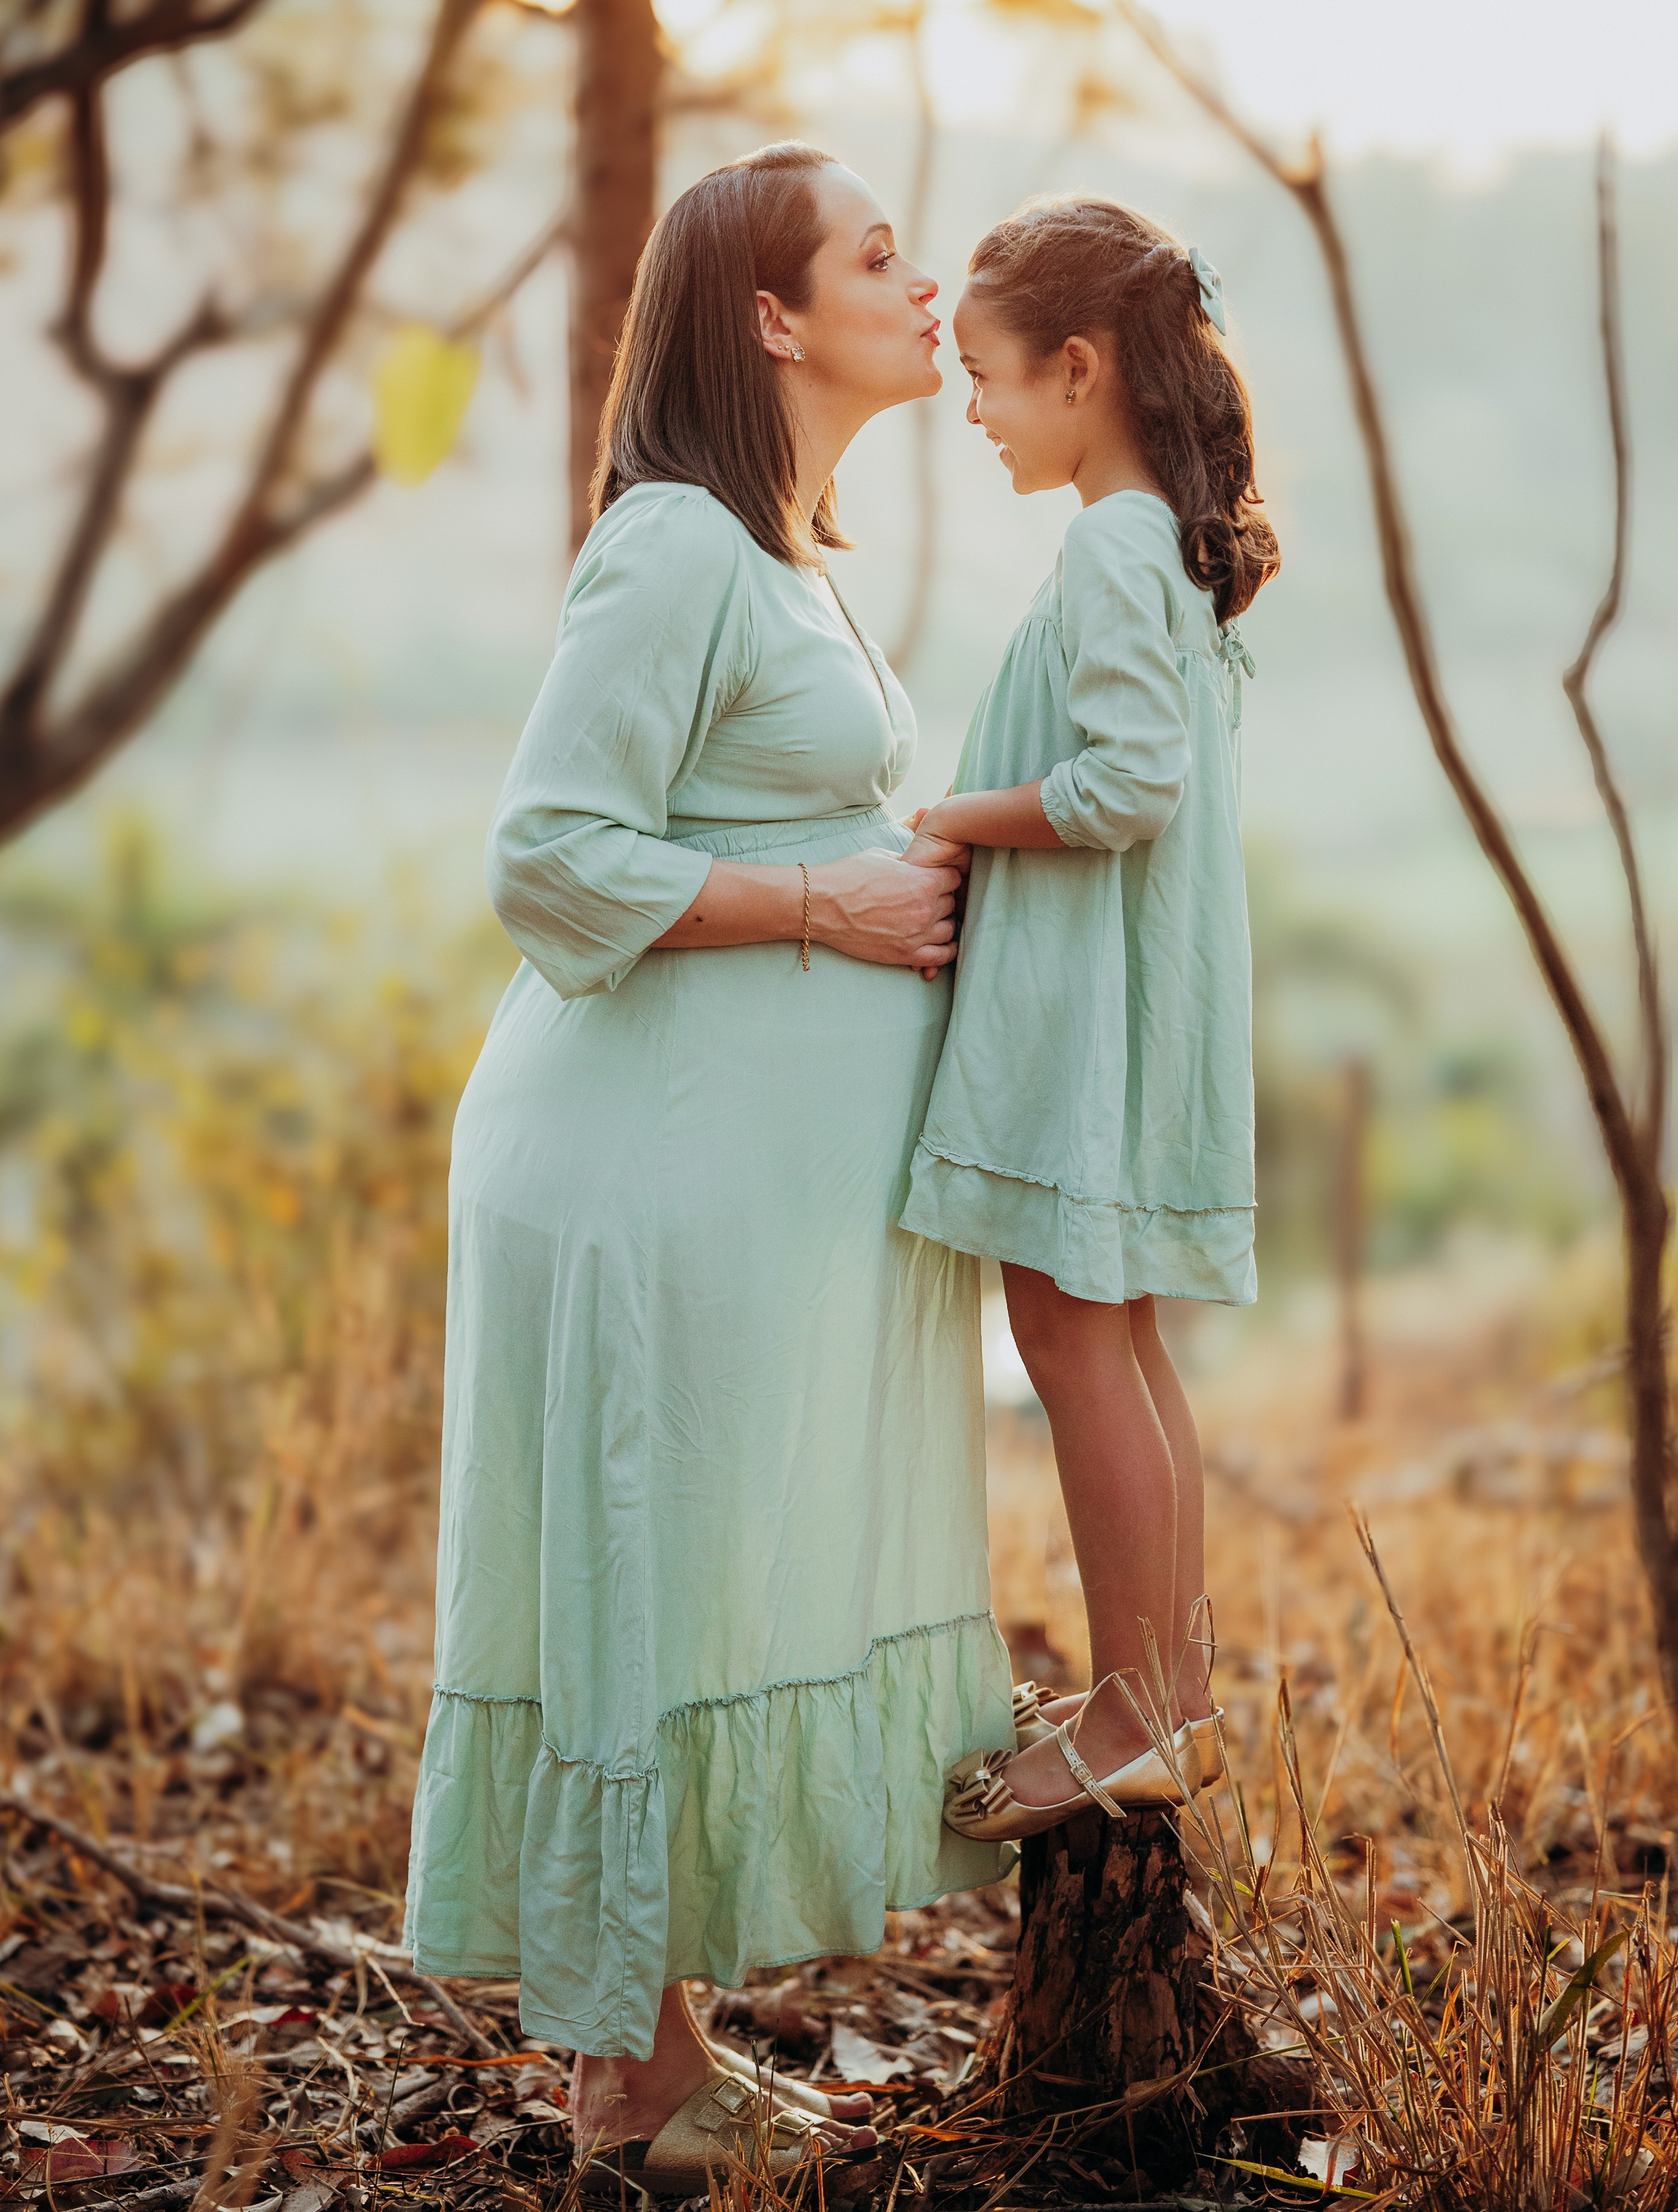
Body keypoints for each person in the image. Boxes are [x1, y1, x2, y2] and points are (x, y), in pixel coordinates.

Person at [402, 144, 1015, 2190]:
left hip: (726, 1173)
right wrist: (829, 912)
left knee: (694, 1560)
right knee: (649, 1562)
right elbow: (551, 854)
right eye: (878, 255)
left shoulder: (776, 554)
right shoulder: (673, 542)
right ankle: (628, 2083)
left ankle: (646, 2054)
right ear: (768, 316)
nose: (928, 285)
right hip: (638, 1167)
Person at [896, 196, 1279, 1840]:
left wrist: (947, 820)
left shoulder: (1114, 542)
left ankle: (1130, 1703)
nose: (969, 411)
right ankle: (1169, 1692)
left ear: (1079, 365)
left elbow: (1127, 785)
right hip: (1123, 1003)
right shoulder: (1154, 543)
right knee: (1110, 1339)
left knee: (1066, 1337)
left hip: (1082, 1018)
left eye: (986, 377)